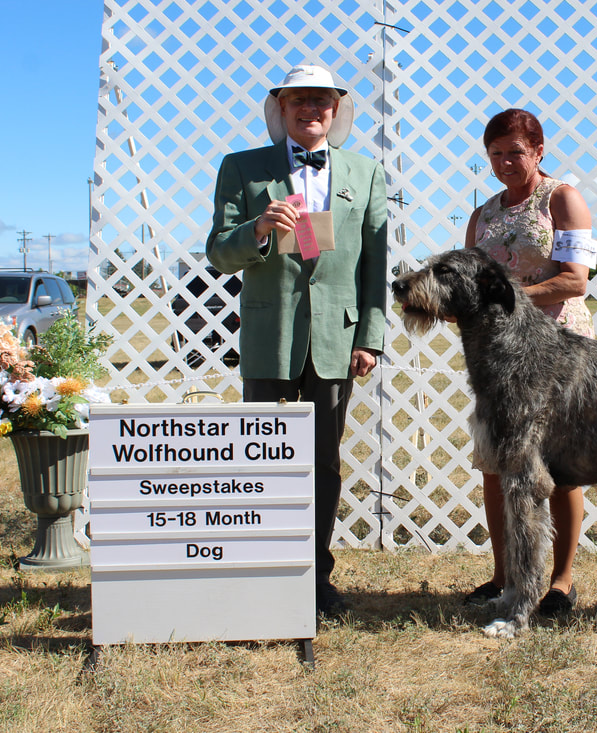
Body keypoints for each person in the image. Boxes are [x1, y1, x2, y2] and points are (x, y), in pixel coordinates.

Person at [206, 65, 388, 616]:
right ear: (280, 109)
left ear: (337, 110)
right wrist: (258, 229)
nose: (312, 109)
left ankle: (315, 576)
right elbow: (218, 251)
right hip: (270, 337)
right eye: (299, 100)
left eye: (323, 101)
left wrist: (370, 337)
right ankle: (262, 572)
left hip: (337, 340)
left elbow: (375, 266)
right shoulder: (241, 168)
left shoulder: (366, 171)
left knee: (324, 462)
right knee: (260, 457)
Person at [462, 108, 597, 614]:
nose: (504, 163)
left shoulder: (562, 199)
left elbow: (574, 280)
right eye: (495, 155)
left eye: (514, 152)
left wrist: (507, 297)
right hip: (498, 360)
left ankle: (560, 583)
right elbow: (470, 285)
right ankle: (504, 575)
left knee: (559, 465)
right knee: (495, 465)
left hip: (558, 352)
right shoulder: (484, 215)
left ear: (538, 151)